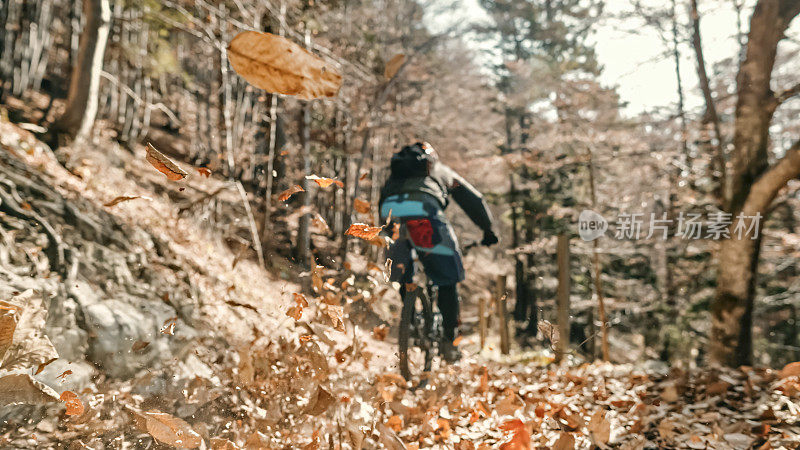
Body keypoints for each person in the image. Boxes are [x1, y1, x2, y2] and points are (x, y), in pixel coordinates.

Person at [379, 142, 498, 362]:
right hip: (425, 214)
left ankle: (411, 322)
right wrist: (487, 229)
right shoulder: (439, 170)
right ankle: (449, 343)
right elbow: (472, 198)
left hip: (390, 214)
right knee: (447, 279)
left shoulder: (394, 176)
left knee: (402, 271)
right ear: (432, 160)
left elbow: (382, 200)